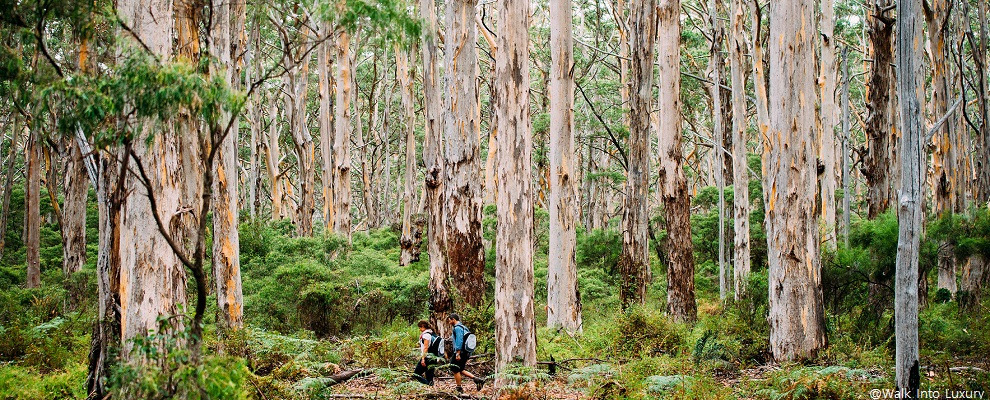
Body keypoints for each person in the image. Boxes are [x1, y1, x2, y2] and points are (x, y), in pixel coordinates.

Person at [447, 313, 485, 392]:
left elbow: (459, 340)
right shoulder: (464, 327)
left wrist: (457, 353)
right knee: (460, 369)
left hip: (460, 352)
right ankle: (478, 380)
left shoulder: (457, 328)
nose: (449, 322)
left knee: (454, 368)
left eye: (449, 320)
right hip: (465, 352)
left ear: (453, 319)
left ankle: (459, 388)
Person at [413, 320, 439, 385]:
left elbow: (425, 348)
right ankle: (431, 388)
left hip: (427, 358)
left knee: (416, 374)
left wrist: (423, 359)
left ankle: (427, 384)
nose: (419, 329)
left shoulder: (426, 335)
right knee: (429, 377)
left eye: (420, 327)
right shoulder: (431, 333)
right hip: (433, 357)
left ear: (423, 326)